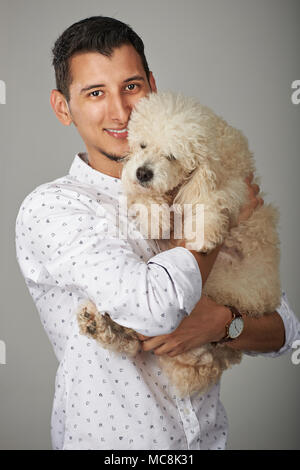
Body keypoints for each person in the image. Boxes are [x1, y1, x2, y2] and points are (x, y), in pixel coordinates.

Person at [15, 16, 300, 450]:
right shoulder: (54, 208)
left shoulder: (192, 178)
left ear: (152, 86)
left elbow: (285, 331)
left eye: (131, 86)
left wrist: (223, 324)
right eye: (95, 93)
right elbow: (154, 311)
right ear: (62, 107)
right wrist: (218, 216)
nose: (121, 111)